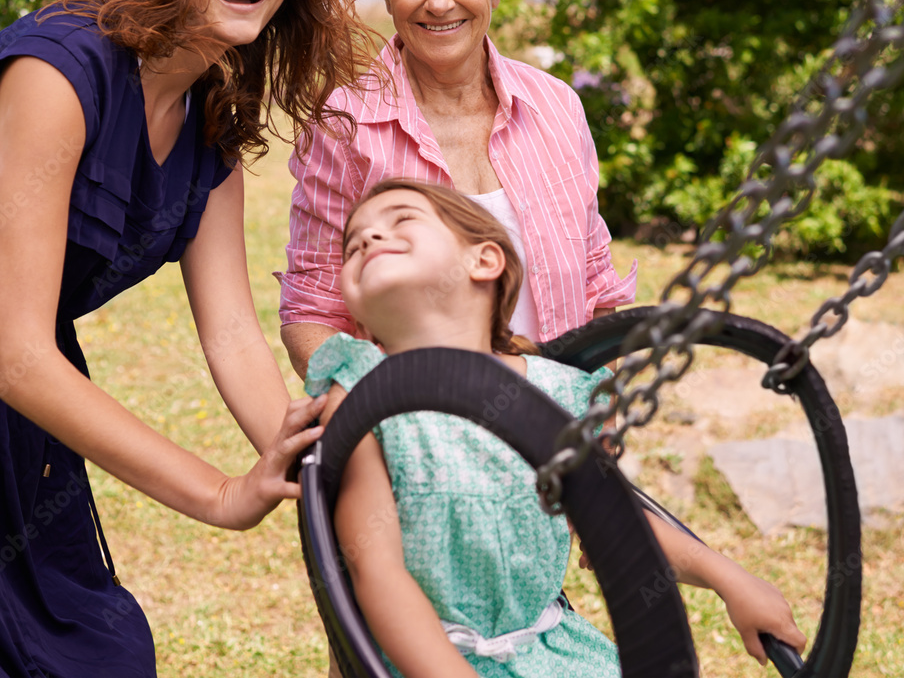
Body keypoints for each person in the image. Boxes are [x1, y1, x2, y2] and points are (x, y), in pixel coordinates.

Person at [0, 0, 377, 678]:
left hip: (13, 397)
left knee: (93, 648)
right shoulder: (60, 71)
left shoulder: (212, 123)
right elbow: (13, 356)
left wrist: (318, 466)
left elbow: (232, 334)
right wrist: (217, 493)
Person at [305, 178, 807, 677]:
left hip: (548, 657)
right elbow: (376, 572)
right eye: (353, 244)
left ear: (484, 260)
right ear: (361, 319)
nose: (368, 238)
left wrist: (729, 580)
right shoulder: (361, 391)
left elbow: (616, 525)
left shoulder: (558, 393)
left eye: (402, 219)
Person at [279, 0, 637, 379]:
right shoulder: (344, 123)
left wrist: (593, 414)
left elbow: (596, 286)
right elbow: (313, 313)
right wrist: (394, 418)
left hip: (558, 431)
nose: (439, 0)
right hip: (415, 433)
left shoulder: (557, 106)